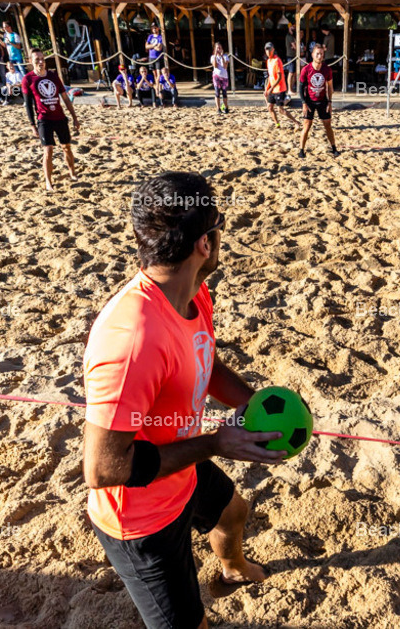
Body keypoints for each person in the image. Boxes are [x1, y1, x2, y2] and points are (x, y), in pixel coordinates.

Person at [83, 171, 285, 629]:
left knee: (233, 512)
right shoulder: (131, 338)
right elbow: (103, 468)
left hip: (181, 464)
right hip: (140, 519)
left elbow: (203, 362)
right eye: (218, 227)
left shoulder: (190, 292)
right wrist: (216, 444)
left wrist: (258, 407)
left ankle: (232, 567)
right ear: (204, 245)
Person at [21, 48, 79, 191]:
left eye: (42, 59)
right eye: (37, 60)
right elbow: (28, 104)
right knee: (48, 150)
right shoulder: (28, 79)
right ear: (30, 61)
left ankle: (72, 172)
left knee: (67, 147)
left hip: (59, 117)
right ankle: (48, 181)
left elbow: (65, 98)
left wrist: (74, 117)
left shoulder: (53, 76)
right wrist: (32, 125)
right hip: (44, 119)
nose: (40, 62)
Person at [298, 43, 338, 158]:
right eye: (317, 54)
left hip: (323, 100)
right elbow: (300, 87)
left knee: (327, 124)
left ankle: (334, 148)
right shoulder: (306, 69)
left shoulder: (327, 69)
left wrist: (330, 102)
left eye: (321, 54)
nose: (320, 56)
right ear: (312, 55)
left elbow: (330, 87)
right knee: (307, 125)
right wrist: (304, 103)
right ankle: (301, 150)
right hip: (309, 100)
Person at [263, 42, 298, 128]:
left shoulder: (277, 60)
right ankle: (277, 124)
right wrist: (267, 89)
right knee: (270, 108)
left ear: (273, 50)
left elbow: (279, 78)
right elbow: (270, 77)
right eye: (267, 50)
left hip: (279, 89)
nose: (268, 52)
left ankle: (296, 122)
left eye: (269, 50)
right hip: (273, 88)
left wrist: (271, 89)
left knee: (280, 110)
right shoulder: (268, 61)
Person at [211, 43, 231, 114]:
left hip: (224, 76)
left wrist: (222, 56)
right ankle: (218, 108)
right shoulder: (213, 57)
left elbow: (225, 66)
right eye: (217, 48)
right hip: (216, 76)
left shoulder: (225, 56)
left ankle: (226, 107)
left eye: (220, 48)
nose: (219, 49)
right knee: (217, 92)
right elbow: (215, 65)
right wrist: (216, 56)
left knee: (224, 93)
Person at [285, 22, 297, 92]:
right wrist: (295, 46)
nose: (294, 28)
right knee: (291, 73)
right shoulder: (289, 36)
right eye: (293, 26)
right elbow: (295, 47)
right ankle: (289, 89)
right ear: (289, 27)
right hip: (290, 56)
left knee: (293, 73)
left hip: (293, 56)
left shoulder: (292, 36)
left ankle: (291, 88)